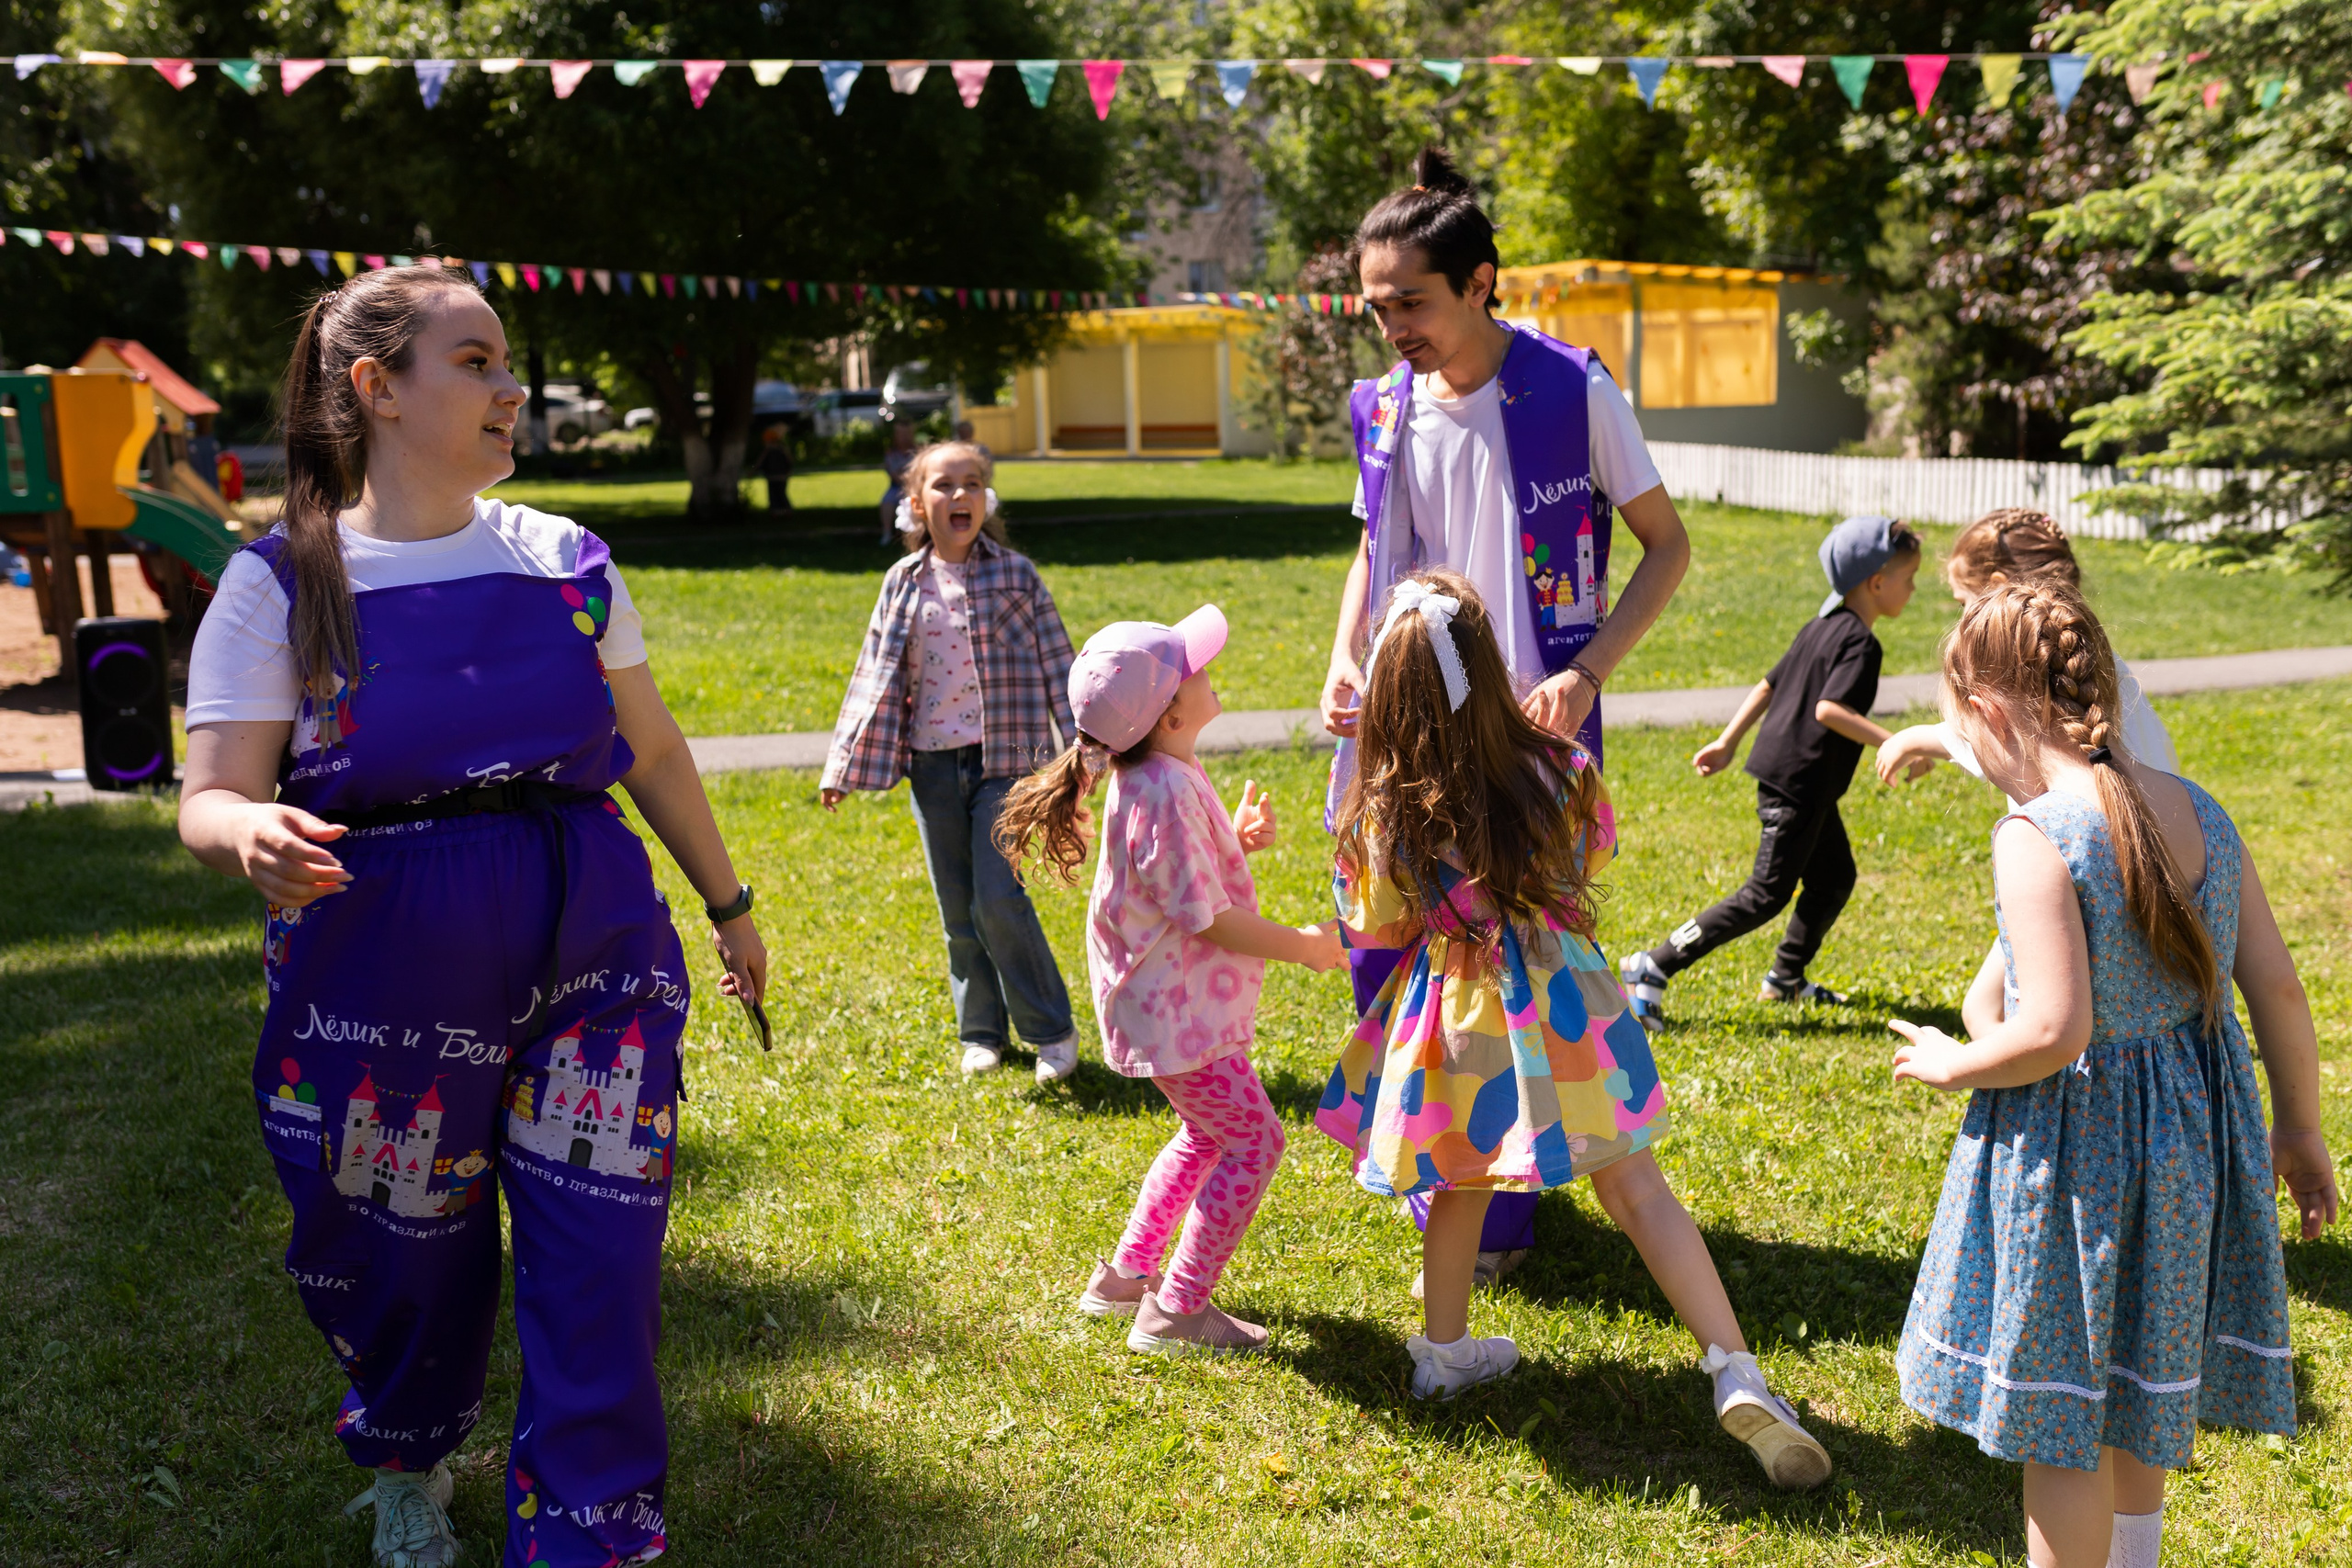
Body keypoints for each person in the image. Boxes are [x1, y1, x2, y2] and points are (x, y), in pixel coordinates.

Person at [177, 265, 768, 1568]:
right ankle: (407, 1450)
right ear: (378, 389)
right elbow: (208, 792)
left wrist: (727, 903)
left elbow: (654, 750)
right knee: (402, 1252)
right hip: (375, 963)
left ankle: (590, 1528)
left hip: (592, 942)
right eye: (479, 361)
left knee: (600, 1247)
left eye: (509, 365)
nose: (512, 390)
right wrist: (249, 834)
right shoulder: (280, 582)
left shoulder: (566, 559)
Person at [1317, 570, 1830, 1483]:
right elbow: (1590, 851)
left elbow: (1376, 926)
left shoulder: (1382, 806)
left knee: (1458, 1180)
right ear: (1490, 663)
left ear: (1388, 690)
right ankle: (1734, 1367)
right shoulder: (1559, 767)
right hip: (1566, 1004)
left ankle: (1442, 1354)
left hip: (1453, 1015)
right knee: (1637, 1189)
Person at [1887, 580, 2336, 1568]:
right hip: (2193, 1150)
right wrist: (2299, 1130)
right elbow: (2280, 993)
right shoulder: (2199, 813)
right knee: (2140, 1386)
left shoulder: (2035, 833)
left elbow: (2051, 1029)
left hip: (2080, 1167)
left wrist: (1954, 1063)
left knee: (2062, 1425)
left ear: (1990, 714)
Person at [1322, 144, 1692, 1285]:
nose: (1391, 326)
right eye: (1375, 306)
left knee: (1507, 963)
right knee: (1394, 945)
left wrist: (1584, 675)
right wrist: (1346, 656)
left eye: (1412, 302)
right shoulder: (1384, 410)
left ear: (1482, 280)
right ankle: (1439, 1177)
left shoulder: (1572, 390)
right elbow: (1374, 552)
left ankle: (1498, 1209)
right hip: (1403, 727)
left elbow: (1666, 549)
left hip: (1523, 734)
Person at [997, 606, 1343, 1353]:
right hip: (1175, 1012)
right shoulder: (1160, 786)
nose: (1210, 674)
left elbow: (1172, 877)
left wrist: (1236, 838)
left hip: (1165, 1006)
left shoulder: (1157, 771)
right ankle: (1176, 1309)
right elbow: (1205, 917)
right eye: (1198, 669)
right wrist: (1304, 946)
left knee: (1205, 1133)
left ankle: (1124, 1278)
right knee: (1256, 1142)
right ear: (1171, 711)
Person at [822, 440, 1085, 1082]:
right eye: (943, 485)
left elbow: (1061, 663)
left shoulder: (1016, 575)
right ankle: (982, 1032)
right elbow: (871, 676)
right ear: (918, 503)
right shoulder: (902, 583)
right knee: (957, 906)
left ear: (986, 498)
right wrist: (840, 764)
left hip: (1008, 763)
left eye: (972, 483)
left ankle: (1052, 1030)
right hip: (932, 767)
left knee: (999, 898)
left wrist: (1087, 746)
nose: (959, 495)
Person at [1618, 516, 1921, 1027]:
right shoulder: (1860, 645)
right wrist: (1903, 744)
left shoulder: (1820, 627)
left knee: (1833, 877)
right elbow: (1829, 709)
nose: (1913, 590)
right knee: (1765, 894)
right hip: (1799, 785)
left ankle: (1784, 979)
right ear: (1876, 582)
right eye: (1908, 578)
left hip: (1805, 785)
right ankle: (1652, 965)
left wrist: (1727, 741)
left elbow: (1766, 685)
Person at [1876, 507, 2176, 788]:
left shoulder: (2039, 661)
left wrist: (1912, 739)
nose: (1962, 617)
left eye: (1963, 602)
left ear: (1997, 588)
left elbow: (2000, 738)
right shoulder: (2082, 653)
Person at [877, 412, 916, 545]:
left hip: (914, 487)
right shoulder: (891, 453)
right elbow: (894, 475)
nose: (904, 437)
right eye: (901, 434)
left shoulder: (919, 452)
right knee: (887, 501)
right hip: (896, 487)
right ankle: (887, 533)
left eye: (907, 434)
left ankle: (914, 535)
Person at [755, 424, 795, 516]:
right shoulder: (782, 449)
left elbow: (759, 463)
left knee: (776, 495)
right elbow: (790, 462)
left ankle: (781, 513)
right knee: (780, 495)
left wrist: (753, 471)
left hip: (775, 477)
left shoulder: (769, 450)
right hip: (779, 477)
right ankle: (783, 512)